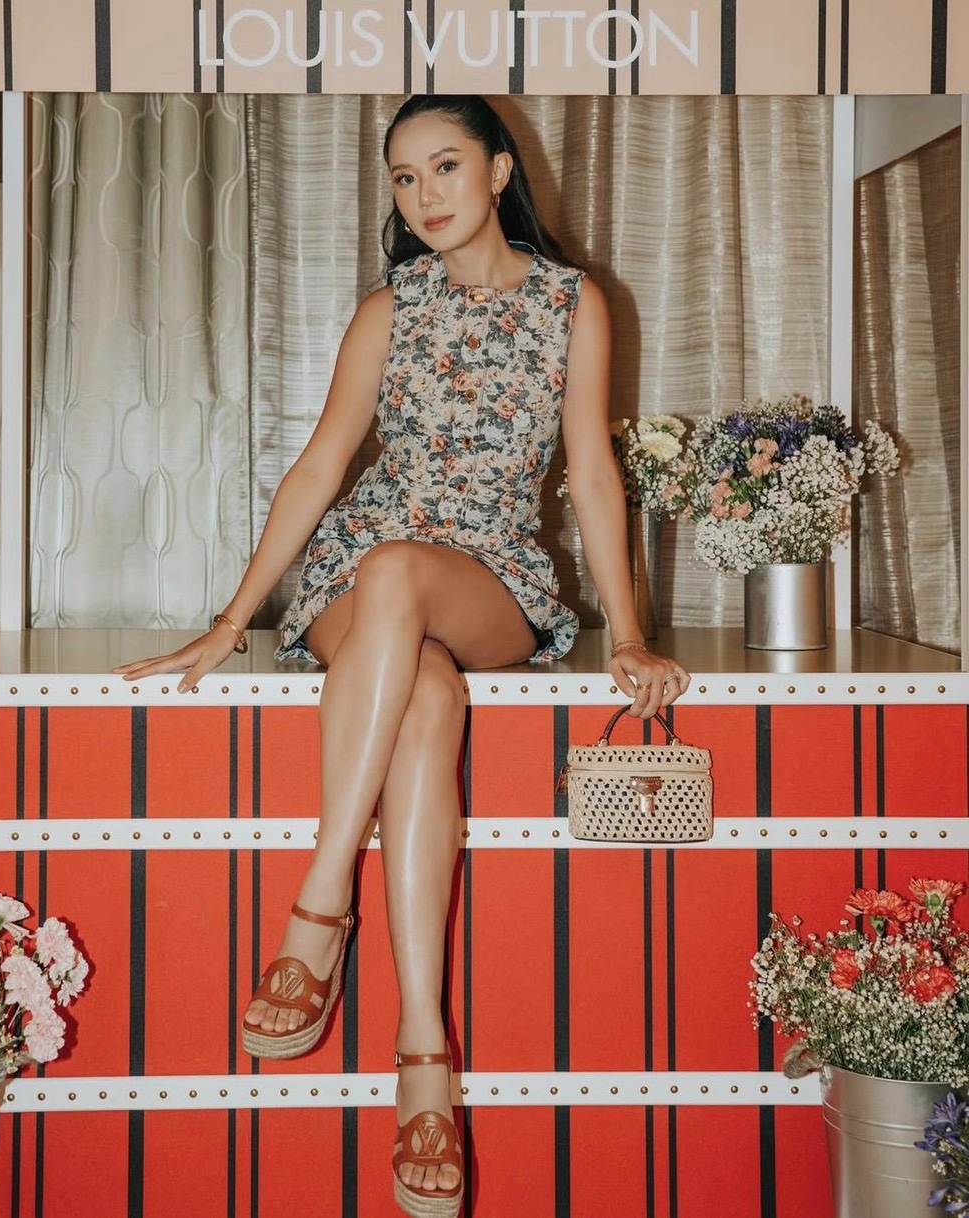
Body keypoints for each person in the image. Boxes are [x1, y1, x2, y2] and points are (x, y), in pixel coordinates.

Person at [114, 94, 690, 1218]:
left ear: (500, 171)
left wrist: (626, 631)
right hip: (360, 577)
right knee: (417, 678)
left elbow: (591, 471)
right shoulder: (390, 308)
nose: (424, 195)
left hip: (489, 576)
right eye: (403, 177)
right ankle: (425, 1047)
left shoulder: (572, 303)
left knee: (400, 578)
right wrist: (232, 621)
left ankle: (321, 899)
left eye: (445, 167)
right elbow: (322, 465)